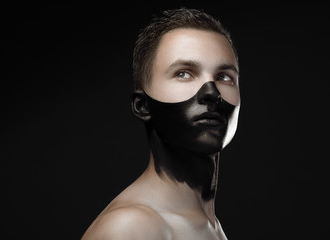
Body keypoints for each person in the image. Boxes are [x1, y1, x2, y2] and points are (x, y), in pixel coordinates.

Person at [81, 8, 240, 240]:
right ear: (142, 105)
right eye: (184, 73)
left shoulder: (207, 223)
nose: (212, 93)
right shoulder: (131, 228)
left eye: (224, 76)